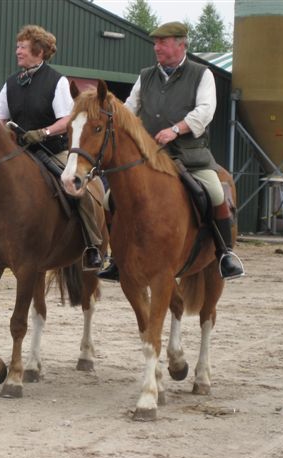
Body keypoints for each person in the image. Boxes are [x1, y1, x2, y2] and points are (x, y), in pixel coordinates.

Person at [98, 21, 244, 281]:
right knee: (110, 198)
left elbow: (205, 110)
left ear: (181, 44)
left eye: (162, 42)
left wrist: (176, 130)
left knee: (215, 192)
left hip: (189, 156)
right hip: (151, 157)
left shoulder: (202, 74)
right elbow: (129, 108)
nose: (156, 47)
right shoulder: (146, 76)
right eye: (155, 43)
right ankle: (117, 257)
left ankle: (224, 253)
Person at [0, 24, 103, 270]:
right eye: (17, 47)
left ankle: (92, 245)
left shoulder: (57, 81)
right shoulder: (11, 83)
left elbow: (66, 120)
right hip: (18, 152)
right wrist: (1, 136)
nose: (17, 51)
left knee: (76, 188)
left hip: (52, 149)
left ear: (39, 52)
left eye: (23, 47)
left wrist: (43, 133)